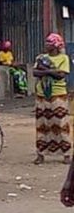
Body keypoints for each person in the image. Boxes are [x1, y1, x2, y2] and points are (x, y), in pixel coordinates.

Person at [33, 33, 72, 165]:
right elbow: (34, 72)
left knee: (61, 124)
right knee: (42, 125)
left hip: (58, 95)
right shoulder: (41, 57)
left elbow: (61, 75)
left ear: (55, 45)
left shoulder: (63, 58)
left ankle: (66, 153)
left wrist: (44, 70)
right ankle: (40, 154)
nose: (46, 45)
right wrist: (50, 71)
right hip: (42, 94)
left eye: (49, 43)